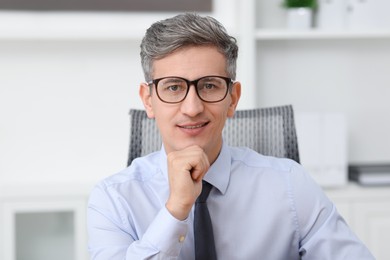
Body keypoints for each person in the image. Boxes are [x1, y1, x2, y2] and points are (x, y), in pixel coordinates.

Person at [87, 13, 374, 260]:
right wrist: (176, 209)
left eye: (209, 86)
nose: (192, 108)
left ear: (233, 99)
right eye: (173, 87)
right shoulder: (113, 200)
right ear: (148, 100)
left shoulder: (290, 185)